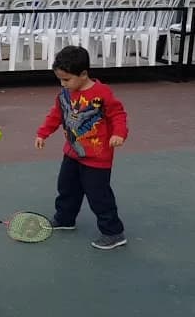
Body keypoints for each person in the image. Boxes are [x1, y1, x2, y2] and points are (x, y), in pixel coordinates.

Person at [34, 46, 129, 250]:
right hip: (72, 152)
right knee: (67, 188)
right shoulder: (64, 95)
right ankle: (65, 219)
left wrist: (119, 134)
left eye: (67, 79)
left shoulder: (102, 93)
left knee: (99, 196)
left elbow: (118, 115)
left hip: (97, 158)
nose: (63, 84)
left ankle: (113, 233)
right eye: (60, 79)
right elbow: (56, 115)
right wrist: (43, 133)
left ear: (84, 74)